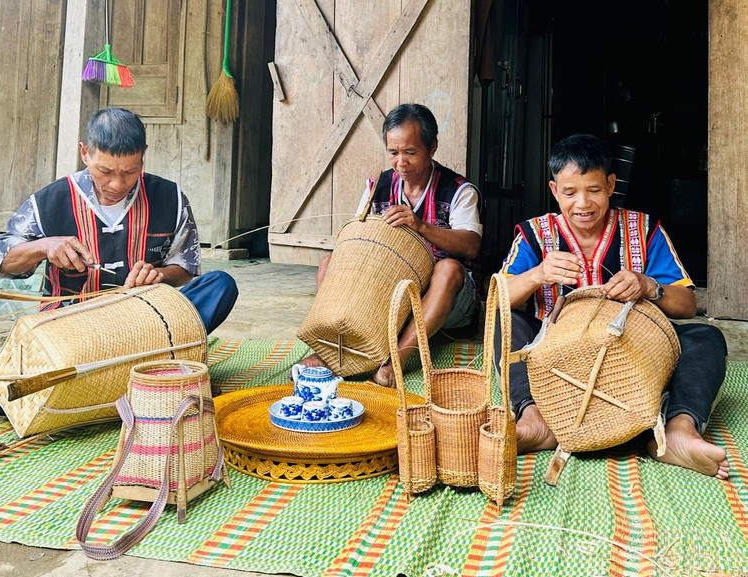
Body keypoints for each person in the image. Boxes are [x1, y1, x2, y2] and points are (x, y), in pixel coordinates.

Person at [498, 133, 729, 479]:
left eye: (593, 190)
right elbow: (497, 298)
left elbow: (687, 304)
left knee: (706, 338)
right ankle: (536, 419)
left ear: (610, 184)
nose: (582, 204)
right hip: (554, 363)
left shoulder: (643, 229)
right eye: (570, 192)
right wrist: (537, 275)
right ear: (554, 189)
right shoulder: (535, 234)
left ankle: (677, 429)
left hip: (632, 358)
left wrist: (649, 286)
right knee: (507, 323)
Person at [0, 108, 237, 414]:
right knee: (8, 399)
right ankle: (144, 374)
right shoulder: (49, 201)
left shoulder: (170, 197)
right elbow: (6, 261)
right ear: (85, 153)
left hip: (147, 325)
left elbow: (185, 267)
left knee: (220, 285)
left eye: (130, 172)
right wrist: (45, 246)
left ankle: (108, 377)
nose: (117, 184)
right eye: (105, 171)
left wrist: (158, 274)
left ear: (143, 156)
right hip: (75, 330)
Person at [302, 103, 483, 386]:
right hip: (392, 293)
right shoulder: (378, 186)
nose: (401, 163)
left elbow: (472, 246)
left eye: (410, 152)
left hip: (449, 301)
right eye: (393, 152)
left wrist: (421, 226)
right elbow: (358, 241)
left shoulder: (459, 190)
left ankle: (395, 361)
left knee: (447, 268)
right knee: (330, 262)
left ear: (432, 147)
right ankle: (329, 351)